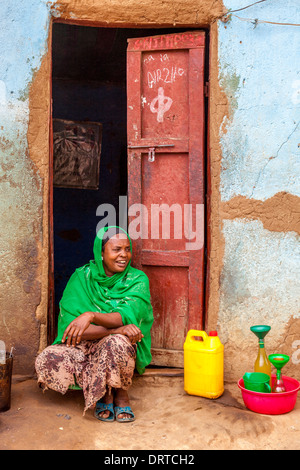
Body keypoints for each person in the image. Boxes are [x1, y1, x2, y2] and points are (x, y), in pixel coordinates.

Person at [35, 226, 153, 422]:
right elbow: (71, 331)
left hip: (116, 344)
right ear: (101, 252)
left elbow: (125, 316)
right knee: (47, 359)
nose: (124, 255)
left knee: (118, 342)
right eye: (116, 250)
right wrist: (116, 329)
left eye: (127, 249)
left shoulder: (137, 279)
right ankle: (103, 390)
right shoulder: (82, 277)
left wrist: (92, 316)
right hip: (84, 346)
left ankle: (120, 392)